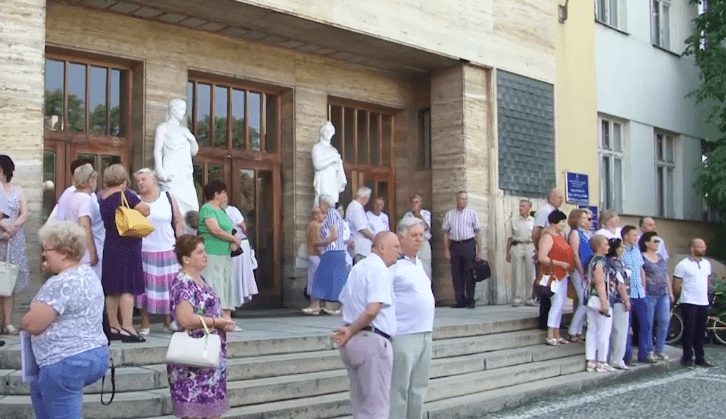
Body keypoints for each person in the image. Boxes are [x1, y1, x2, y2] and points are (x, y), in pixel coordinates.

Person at [23, 220, 109, 418]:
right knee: (42, 392)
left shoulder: (61, 283)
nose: (43, 254)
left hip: (66, 360)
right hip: (94, 353)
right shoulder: (88, 274)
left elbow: (32, 324)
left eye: (47, 249)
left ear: (65, 251)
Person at [333, 232, 401, 419]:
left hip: (354, 342)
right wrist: (351, 330)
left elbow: (344, 300)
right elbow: (372, 310)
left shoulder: (359, 267)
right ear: (381, 247)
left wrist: (350, 330)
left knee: (360, 405)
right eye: (395, 246)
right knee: (376, 407)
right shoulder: (378, 269)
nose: (399, 251)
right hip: (371, 340)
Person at [168, 234, 237, 418]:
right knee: (195, 413)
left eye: (204, 251)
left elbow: (208, 307)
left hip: (210, 358)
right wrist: (216, 322)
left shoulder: (200, 279)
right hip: (193, 361)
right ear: (186, 259)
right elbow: (185, 319)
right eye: (199, 252)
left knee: (211, 413)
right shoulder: (183, 282)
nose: (205, 255)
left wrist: (224, 319)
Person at [389, 218, 435, 419]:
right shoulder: (393, 266)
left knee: (418, 388)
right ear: (401, 237)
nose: (419, 240)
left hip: (425, 333)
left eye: (421, 235)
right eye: (414, 235)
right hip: (404, 334)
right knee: (399, 388)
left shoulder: (418, 264)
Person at [99, 164, 150, 343]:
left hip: (111, 244)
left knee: (112, 288)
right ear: (124, 179)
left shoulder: (102, 197)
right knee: (127, 287)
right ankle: (127, 327)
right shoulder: (126, 195)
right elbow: (146, 210)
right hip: (128, 244)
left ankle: (113, 326)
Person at [133, 168, 184, 335]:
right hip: (145, 250)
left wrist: (181, 243)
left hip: (168, 248)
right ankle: (144, 322)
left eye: (143, 179)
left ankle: (168, 321)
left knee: (168, 288)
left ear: (153, 180)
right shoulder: (136, 200)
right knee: (146, 289)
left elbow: (177, 221)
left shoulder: (168, 197)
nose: (140, 183)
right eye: (138, 180)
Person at [49, 157, 105, 279]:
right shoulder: (85, 199)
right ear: (90, 181)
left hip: (74, 249)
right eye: (95, 179)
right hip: (85, 253)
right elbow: (84, 225)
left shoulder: (71, 197)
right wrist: (92, 252)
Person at [198, 179, 241, 320]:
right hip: (211, 252)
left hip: (225, 253)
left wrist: (234, 238)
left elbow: (230, 228)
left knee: (225, 283)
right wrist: (233, 239)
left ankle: (227, 317)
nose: (225, 195)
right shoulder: (207, 209)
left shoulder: (222, 210)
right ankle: (214, 317)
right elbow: (215, 230)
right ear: (216, 194)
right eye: (223, 192)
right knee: (214, 283)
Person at [154, 98, 200, 219]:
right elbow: (158, 150)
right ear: (173, 110)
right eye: (181, 109)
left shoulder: (185, 130)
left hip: (184, 171)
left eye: (184, 110)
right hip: (171, 169)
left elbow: (194, 151)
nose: (183, 113)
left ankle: (189, 232)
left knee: (192, 205)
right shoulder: (163, 128)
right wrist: (159, 169)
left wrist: (192, 139)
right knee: (173, 202)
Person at [0, 155, 30, 335]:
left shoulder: (17, 190)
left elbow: (24, 213)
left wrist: (14, 227)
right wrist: (4, 226)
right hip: (1, 236)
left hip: (15, 239)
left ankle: (7, 323)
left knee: (9, 280)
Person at [673, 238, 714, 368]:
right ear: (692, 248)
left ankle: (700, 357)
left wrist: (708, 294)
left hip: (703, 301)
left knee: (700, 331)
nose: (703, 249)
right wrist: (678, 297)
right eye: (700, 246)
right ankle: (687, 357)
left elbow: (707, 280)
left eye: (704, 246)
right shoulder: (683, 265)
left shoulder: (707, 263)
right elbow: (676, 284)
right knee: (689, 330)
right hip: (689, 301)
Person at [537, 209, 574, 345]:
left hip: (563, 274)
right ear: (555, 222)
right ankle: (550, 333)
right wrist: (560, 263)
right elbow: (542, 257)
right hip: (552, 274)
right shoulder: (547, 236)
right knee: (556, 304)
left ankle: (557, 333)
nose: (564, 224)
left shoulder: (561, 235)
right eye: (562, 221)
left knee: (561, 304)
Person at [620, 225, 656, 364]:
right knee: (627, 326)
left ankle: (644, 353)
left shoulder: (636, 250)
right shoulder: (621, 251)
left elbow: (641, 269)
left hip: (640, 293)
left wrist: (644, 287)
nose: (637, 238)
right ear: (626, 236)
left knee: (646, 324)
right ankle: (626, 356)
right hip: (627, 294)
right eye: (634, 235)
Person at [443, 191, 483, 309]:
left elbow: (477, 232)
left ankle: (470, 299)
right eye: (462, 199)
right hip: (455, 245)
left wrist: (479, 250)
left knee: (470, 273)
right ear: (457, 200)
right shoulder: (450, 214)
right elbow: (445, 233)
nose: (464, 201)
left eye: (466, 199)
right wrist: (446, 249)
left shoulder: (472, 213)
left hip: (468, 244)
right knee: (456, 273)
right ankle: (460, 299)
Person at [531, 188, 564, 328]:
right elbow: (536, 232)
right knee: (546, 288)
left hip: (554, 257)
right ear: (550, 198)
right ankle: (545, 320)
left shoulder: (555, 212)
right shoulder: (545, 211)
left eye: (562, 197)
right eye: (558, 197)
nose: (561, 199)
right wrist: (540, 251)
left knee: (555, 289)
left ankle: (554, 321)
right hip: (546, 256)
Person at [312, 194, 348, 315]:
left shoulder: (332, 214)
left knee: (320, 277)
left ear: (323, 204)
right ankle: (338, 306)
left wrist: (319, 243)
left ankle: (316, 305)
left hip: (332, 250)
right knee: (337, 278)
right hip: (338, 251)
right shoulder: (336, 214)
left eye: (319, 204)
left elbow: (334, 235)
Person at [640, 231, 672, 361]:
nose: (657, 244)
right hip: (649, 294)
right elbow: (642, 275)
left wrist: (670, 292)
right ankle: (649, 350)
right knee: (649, 322)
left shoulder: (661, 257)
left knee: (664, 321)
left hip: (662, 293)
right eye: (655, 241)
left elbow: (665, 274)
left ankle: (660, 349)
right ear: (647, 243)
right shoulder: (642, 257)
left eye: (658, 241)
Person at [584, 234, 615, 372]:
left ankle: (591, 360)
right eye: (606, 244)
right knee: (603, 331)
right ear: (598, 246)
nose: (608, 247)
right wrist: (604, 302)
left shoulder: (590, 260)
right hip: (600, 298)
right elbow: (600, 282)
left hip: (590, 298)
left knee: (592, 330)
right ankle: (601, 361)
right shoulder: (601, 261)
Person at [604, 238, 632, 370]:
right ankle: (616, 359)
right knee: (620, 330)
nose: (623, 249)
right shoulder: (615, 262)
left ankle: (613, 357)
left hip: (615, 299)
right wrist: (626, 300)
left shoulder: (612, 261)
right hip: (619, 299)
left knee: (616, 330)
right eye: (621, 247)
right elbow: (621, 283)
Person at [566, 209, 593, 342]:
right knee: (584, 301)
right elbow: (575, 254)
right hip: (578, 270)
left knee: (584, 300)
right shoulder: (575, 233)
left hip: (587, 269)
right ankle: (573, 330)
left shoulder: (586, 234)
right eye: (583, 218)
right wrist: (582, 271)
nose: (586, 221)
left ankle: (578, 330)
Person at [225, 204, 259, 306]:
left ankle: (235, 301)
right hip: (230, 243)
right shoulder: (229, 211)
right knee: (236, 273)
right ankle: (234, 301)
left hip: (238, 243)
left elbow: (243, 226)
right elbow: (243, 226)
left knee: (236, 273)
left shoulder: (232, 210)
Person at [505, 199, 535, 307]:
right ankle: (516, 299)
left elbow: (536, 237)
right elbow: (509, 237)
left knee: (530, 273)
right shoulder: (513, 220)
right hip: (517, 245)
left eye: (523, 206)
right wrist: (507, 252)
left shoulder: (533, 221)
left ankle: (529, 298)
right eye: (520, 206)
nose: (520, 208)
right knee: (516, 273)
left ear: (529, 208)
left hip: (530, 245)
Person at [312, 121, 347, 206]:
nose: (328, 133)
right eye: (326, 130)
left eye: (330, 131)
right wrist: (332, 159)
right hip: (323, 179)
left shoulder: (334, 150)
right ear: (322, 132)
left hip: (332, 180)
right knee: (324, 203)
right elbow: (317, 165)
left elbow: (339, 167)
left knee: (333, 203)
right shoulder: (317, 147)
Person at [401, 193, 433, 280]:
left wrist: (417, 214)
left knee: (425, 265)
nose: (415, 204)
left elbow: (426, 226)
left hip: (424, 242)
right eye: (413, 202)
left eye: (417, 202)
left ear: (420, 203)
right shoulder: (407, 215)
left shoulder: (426, 213)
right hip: (412, 243)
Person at [302, 206, 326, 315]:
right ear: (316, 215)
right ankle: (314, 305)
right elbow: (316, 243)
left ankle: (315, 305)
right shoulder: (315, 225)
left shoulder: (317, 225)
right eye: (322, 214)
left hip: (315, 256)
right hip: (316, 256)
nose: (324, 216)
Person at [345, 187, 374, 263]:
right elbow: (362, 228)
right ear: (365, 198)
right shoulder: (355, 209)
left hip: (363, 248)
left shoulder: (358, 208)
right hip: (360, 249)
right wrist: (375, 239)